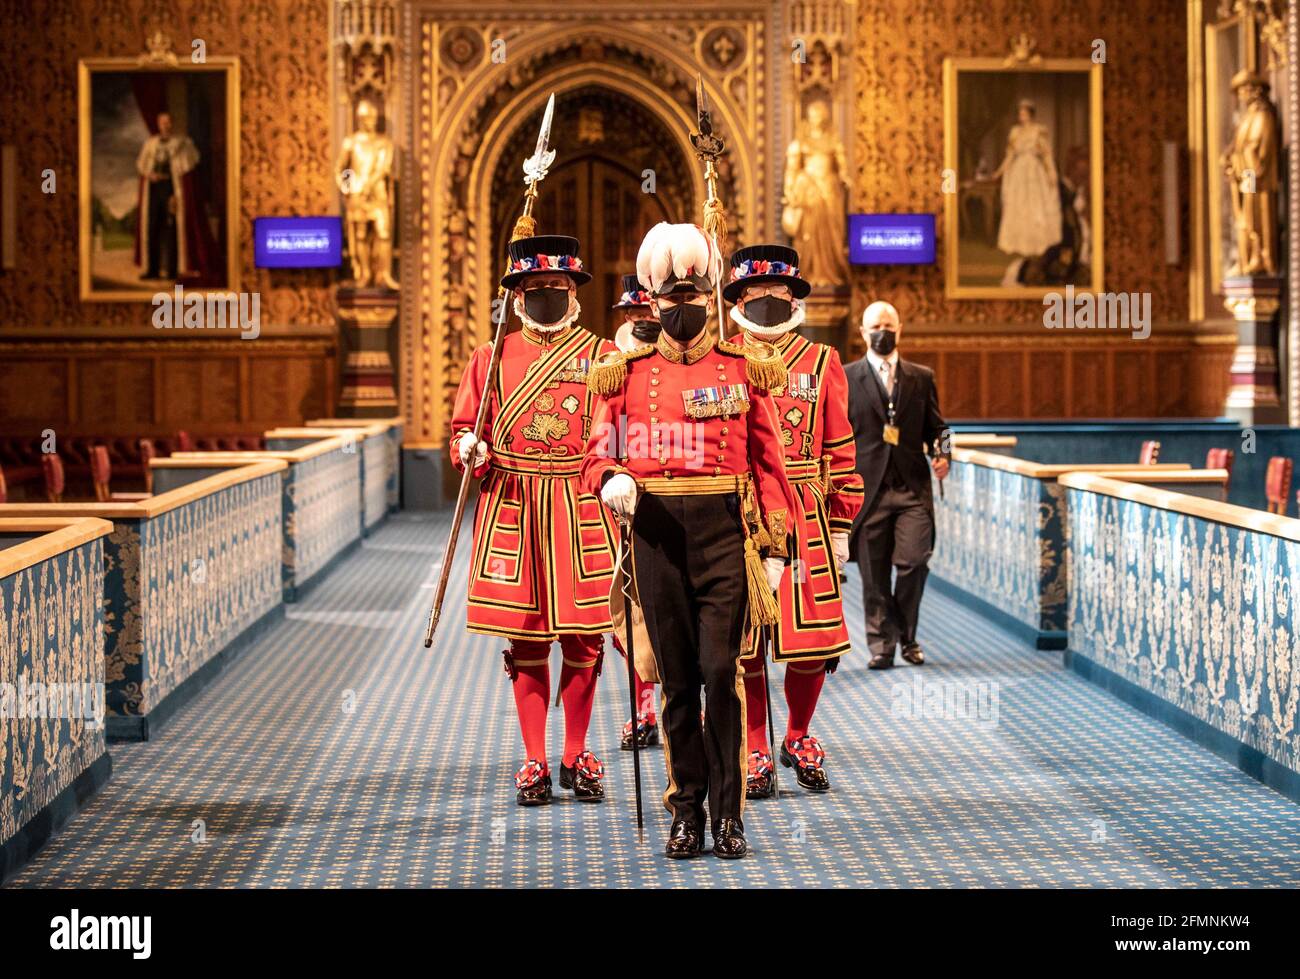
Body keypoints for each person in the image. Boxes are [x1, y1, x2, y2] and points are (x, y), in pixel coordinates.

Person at [583, 222, 798, 859]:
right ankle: (686, 812)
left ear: (710, 298)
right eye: (671, 301)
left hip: (723, 534)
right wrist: (612, 479)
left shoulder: (742, 368)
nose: (683, 310)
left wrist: (778, 546)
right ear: (654, 303)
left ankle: (728, 814)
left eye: (693, 299)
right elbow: (594, 455)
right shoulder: (623, 374)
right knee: (676, 680)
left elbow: (768, 462)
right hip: (654, 532)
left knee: (718, 672)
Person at [450, 234, 618, 806]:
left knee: (584, 637)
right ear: (516, 295)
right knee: (525, 639)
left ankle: (575, 751)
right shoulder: (489, 357)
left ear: (573, 292)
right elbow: (463, 430)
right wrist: (470, 447)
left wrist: (612, 472)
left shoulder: (600, 357)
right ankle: (534, 759)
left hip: (580, 505)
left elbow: (608, 431)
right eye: (536, 288)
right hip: (514, 505)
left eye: (558, 287)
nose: (547, 295)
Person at [725, 244, 864, 797]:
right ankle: (755, 742)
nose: (766, 305)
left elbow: (841, 446)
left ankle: (799, 733)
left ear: (793, 298)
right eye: (755, 297)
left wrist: (842, 522)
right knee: (749, 637)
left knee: (812, 637)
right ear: (737, 300)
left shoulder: (823, 361)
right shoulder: (722, 357)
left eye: (777, 296)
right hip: (744, 512)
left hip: (806, 509)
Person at [845, 301, 950, 669]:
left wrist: (943, 454)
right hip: (867, 490)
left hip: (911, 490)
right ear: (862, 332)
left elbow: (939, 428)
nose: (882, 331)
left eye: (888, 324)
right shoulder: (845, 377)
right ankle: (882, 645)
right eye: (875, 325)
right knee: (873, 574)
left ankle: (907, 635)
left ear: (900, 328)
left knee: (914, 562)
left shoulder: (921, 376)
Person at [608, 271, 662, 750]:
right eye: (635, 311)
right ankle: (643, 708)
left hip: (672, 496)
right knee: (630, 611)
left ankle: (684, 704)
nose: (642, 318)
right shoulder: (609, 362)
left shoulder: (678, 357)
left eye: (649, 310)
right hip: (618, 501)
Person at [135, 111, 200, 281]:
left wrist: (176, 191)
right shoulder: (151, 143)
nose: (165, 125)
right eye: (162, 122)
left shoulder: (182, 143)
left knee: (171, 230)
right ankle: (153, 270)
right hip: (154, 190)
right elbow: (142, 165)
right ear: (158, 124)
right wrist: (150, 175)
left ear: (172, 124)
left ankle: (172, 270)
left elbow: (189, 164)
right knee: (152, 228)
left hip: (171, 190)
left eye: (168, 122)